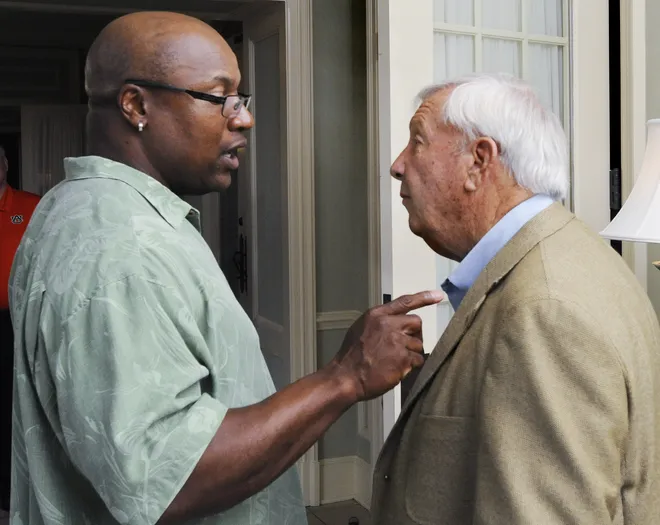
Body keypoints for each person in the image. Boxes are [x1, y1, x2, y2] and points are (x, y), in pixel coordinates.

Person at [8, 11, 442, 525]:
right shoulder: (121, 247)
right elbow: (169, 481)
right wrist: (344, 377)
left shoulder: (78, 208)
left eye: (242, 100)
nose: (243, 118)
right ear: (135, 104)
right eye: (219, 98)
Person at [371, 73, 660, 525]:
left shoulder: (546, 309)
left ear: (478, 162)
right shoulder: (567, 259)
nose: (398, 164)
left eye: (417, 142)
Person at [0, 144, 40, 513]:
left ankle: (12, 492)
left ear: (5, 163)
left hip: (19, 321)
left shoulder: (32, 207)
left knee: (16, 406)